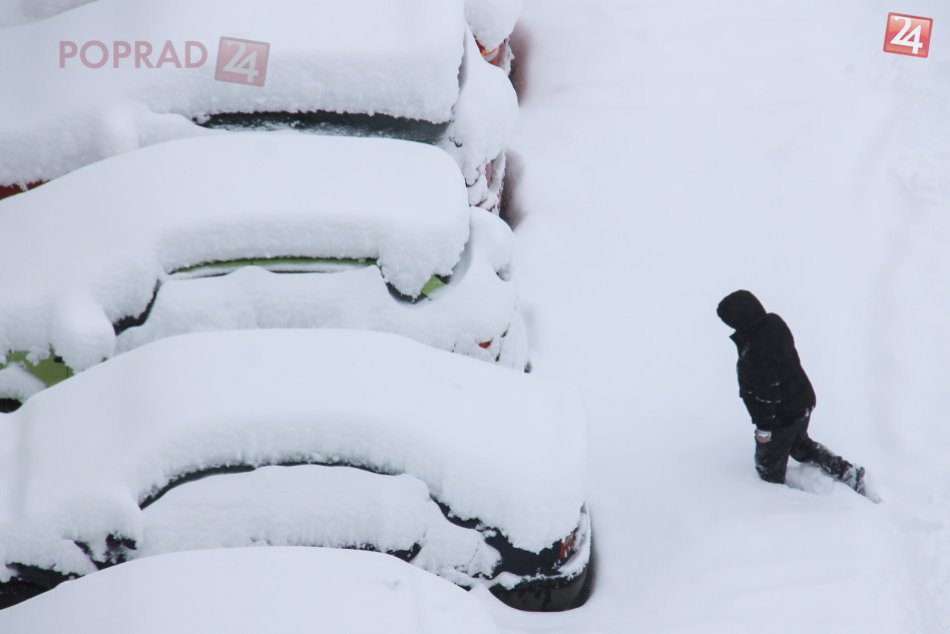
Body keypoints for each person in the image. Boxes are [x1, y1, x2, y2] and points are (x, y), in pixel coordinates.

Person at [716, 290, 868, 495]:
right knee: (800, 445)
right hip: (802, 400)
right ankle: (846, 472)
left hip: (782, 416)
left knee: (768, 469)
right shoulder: (773, 322)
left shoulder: (755, 351)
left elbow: (766, 394)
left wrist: (764, 430)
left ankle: (780, 509)